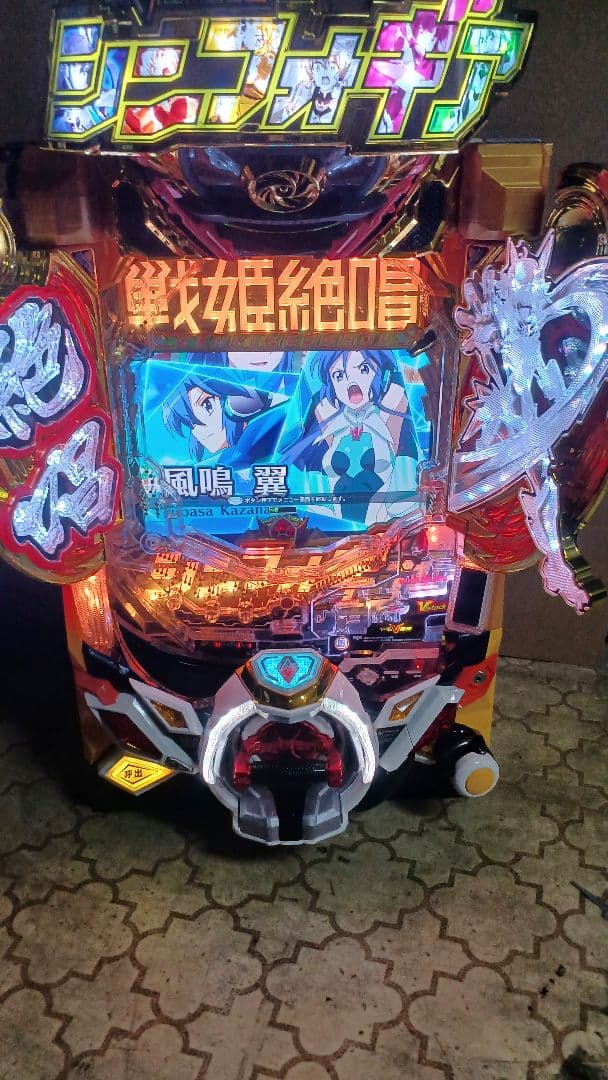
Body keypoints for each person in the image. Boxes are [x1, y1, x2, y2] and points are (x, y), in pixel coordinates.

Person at [282, 349, 421, 526]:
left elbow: (405, 500)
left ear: (384, 375)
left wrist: (395, 404)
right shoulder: (326, 419)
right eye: (339, 376)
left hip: (387, 528)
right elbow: (312, 497)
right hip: (331, 528)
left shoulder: (393, 413)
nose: (351, 383)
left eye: (364, 369)